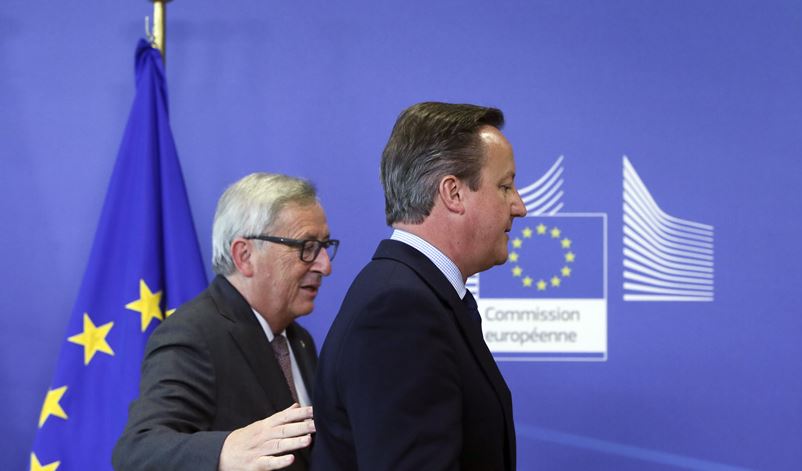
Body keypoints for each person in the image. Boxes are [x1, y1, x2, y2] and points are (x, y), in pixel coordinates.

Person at [312, 102, 526, 470]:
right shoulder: (399, 310)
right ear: (453, 193)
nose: (519, 206)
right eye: (505, 186)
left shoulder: (419, 294)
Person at [113, 173, 339, 471]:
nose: (325, 265)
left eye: (325, 246)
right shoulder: (194, 334)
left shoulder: (298, 339)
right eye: (307, 247)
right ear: (244, 255)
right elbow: (138, 450)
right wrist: (224, 451)